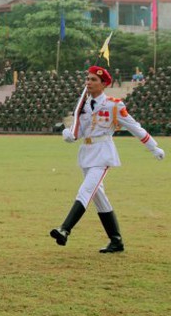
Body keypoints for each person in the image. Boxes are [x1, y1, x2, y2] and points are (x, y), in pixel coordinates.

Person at [52, 66, 165, 253]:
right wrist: (68, 134)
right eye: (87, 79)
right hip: (86, 154)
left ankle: (64, 229)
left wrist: (153, 147)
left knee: (86, 190)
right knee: (99, 197)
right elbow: (79, 132)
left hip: (103, 154)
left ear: (104, 84)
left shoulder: (114, 105)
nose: (88, 82)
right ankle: (116, 240)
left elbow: (134, 127)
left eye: (93, 80)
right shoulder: (84, 106)